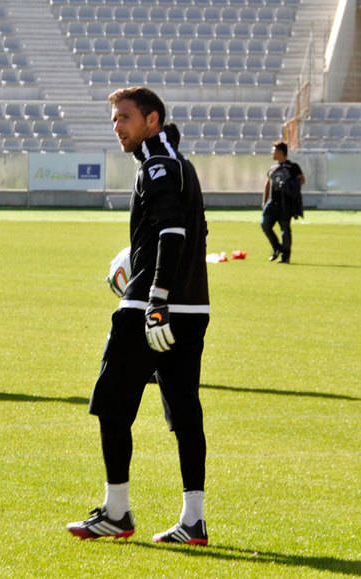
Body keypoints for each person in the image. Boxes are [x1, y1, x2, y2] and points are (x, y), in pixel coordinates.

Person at [67, 87, 211, 545]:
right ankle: (194, 521)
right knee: (185, 412)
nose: (117, 127)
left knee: (111, 407)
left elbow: (172, 232)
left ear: (152, 119)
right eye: (113, 119)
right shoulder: (179, 163)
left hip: (149, 309)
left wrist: (156, 301)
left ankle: (117, 511)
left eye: (124, 117)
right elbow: (193, 233)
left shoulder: (157, 166)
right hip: (193, 308)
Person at [261, 141, 305, 264]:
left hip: (286, 203)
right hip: (273, 202)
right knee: (265, 225)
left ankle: (285, 256)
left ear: (280, 152)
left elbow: (302, 180)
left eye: (274, 150)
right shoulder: (273, 168)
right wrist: (264, 200)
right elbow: (268, 183)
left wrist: (288, 185)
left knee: (285, 229)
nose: (272, 153)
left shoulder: (293, 167)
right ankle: (277, 247)